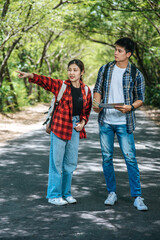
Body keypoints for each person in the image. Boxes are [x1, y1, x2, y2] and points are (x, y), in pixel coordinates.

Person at [17, 59, 92, 206]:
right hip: (59, 126)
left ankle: (66, 193)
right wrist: (30, 75)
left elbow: (86, 111)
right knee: (56, 163)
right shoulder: (61, 85)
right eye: (69, 69)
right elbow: (45, 81)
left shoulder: (86, 90)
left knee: (70, 163)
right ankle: (54, 195)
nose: (71, 73)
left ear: (82, 72)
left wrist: (82, 123)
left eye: (75, 70)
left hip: (75, 128)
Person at [93, 37, 148, 211]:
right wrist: (96, 104)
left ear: (128, 54)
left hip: (125, 122)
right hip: (106, 122)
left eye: (120, 50)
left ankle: (138, 197)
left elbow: (141, 98)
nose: (116, 53)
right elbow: (98, 89)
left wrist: (130, 107)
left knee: (130, 158)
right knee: (107, 158)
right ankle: (111, 193)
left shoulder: (136, 74)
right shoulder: (106, 69)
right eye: (115, 49)